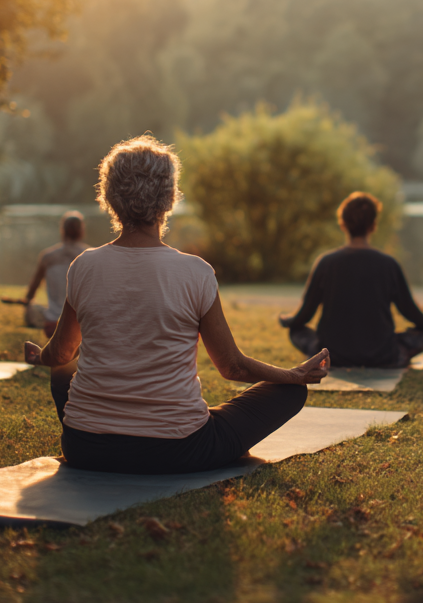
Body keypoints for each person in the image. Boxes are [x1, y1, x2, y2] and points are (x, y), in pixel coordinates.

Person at [24, 136, 329, 475]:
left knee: (61, 372)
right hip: (177, 451)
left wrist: (41, 356)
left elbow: (61, 355)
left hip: (85, 449)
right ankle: (177, 422)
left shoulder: (84, 266)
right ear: (169, 199)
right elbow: (233, 368)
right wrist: (294, 375)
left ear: (109, 197)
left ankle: (116, 426)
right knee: (290, 393)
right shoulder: (195, 272)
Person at [279, 192, 423, 367]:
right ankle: (396, 355)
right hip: (382, 355)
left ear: (342, 224)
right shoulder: (388, 264)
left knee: (296, 331)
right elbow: (410, 312)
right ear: (373, 226)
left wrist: (289, 322)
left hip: (332, 355)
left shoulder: (326, 263)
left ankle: (324, 355)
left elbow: (305, 314)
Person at [4, 211, 88, 337]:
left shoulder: (48, 256)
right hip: (81, 324)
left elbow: (33, 288)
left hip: (52, 323)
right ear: (82, 231)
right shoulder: (90, 256)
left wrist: (26, 301)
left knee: (34, 310)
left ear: (62, 230)